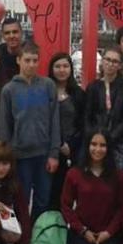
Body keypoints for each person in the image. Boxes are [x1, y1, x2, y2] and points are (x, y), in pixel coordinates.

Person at [0, 41, 61, 221]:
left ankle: (37, 238)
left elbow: (54, 121)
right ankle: (22, 238)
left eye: (35, 60)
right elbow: (5, 127)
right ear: (18, 60)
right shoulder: (9, 90)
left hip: (44, 154)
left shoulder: (48, 85)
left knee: (43, 199)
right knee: (21, 199)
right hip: (20, 155)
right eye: (27, 60)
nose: (32, 64)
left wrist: (54, 153)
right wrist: (7, 157)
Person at [61, 130, 123, 244]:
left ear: (108, 148)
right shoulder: (74, 173)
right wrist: (82, 231)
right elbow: (66, 206)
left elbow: (122, 208)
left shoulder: (118, 175)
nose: (98, 149)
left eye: (103, 145)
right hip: (82, 233)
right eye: (93, 144)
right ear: (87, 146)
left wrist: (109, 232)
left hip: (108, 234)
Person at [84, 47, 123, 171]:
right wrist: (94, 138)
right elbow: (87, 115)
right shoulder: (93, 86)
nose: (110, 64)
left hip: (119, 140)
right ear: (102, 61)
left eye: (115, 61)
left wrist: (111, 138)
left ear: (119, 66)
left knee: (118, 180)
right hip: (96, 142)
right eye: (107, 59)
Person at [48, 52, 86, 209]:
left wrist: (70, 145)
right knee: (48, 196)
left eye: (65, 66)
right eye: (57, 66)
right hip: (48, 151)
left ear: (71, 69)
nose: (61, 70)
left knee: (67, 196)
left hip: (71, 152)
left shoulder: (78, 94)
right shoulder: (45, 91)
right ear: (51, 69)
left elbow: (83, 124)